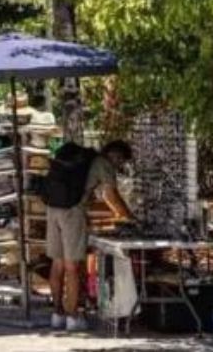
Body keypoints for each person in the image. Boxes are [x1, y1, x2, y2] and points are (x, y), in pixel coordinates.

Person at [45, 140, 134, 332]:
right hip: (73, 212)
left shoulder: (84, 159)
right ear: (116, 155)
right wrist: (128, 216)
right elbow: (111, 195)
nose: (119, 165)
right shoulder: (104, 164)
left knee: (57, 263)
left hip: (53, 209)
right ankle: (73, 317)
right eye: (120, 161)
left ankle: (57, 314)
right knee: (72, 267)